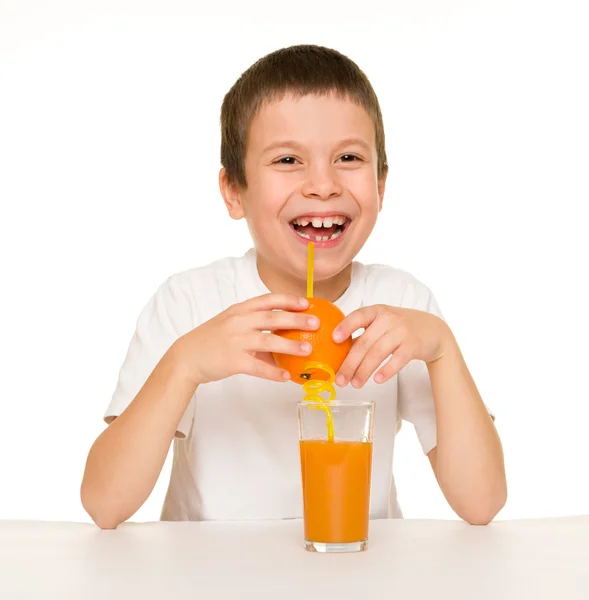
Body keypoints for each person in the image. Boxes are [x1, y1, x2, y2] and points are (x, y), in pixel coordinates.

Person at [80, 44, 506, 529]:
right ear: (234, 191)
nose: (322, 185)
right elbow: (104, 503)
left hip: (356, 572)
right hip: (210, 579)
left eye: (347, 157)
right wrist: (185, 365)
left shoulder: (403, 308)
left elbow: (482, 502)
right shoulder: (189, 303)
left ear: (381, 187)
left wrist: (442, 349)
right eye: (287, 160)